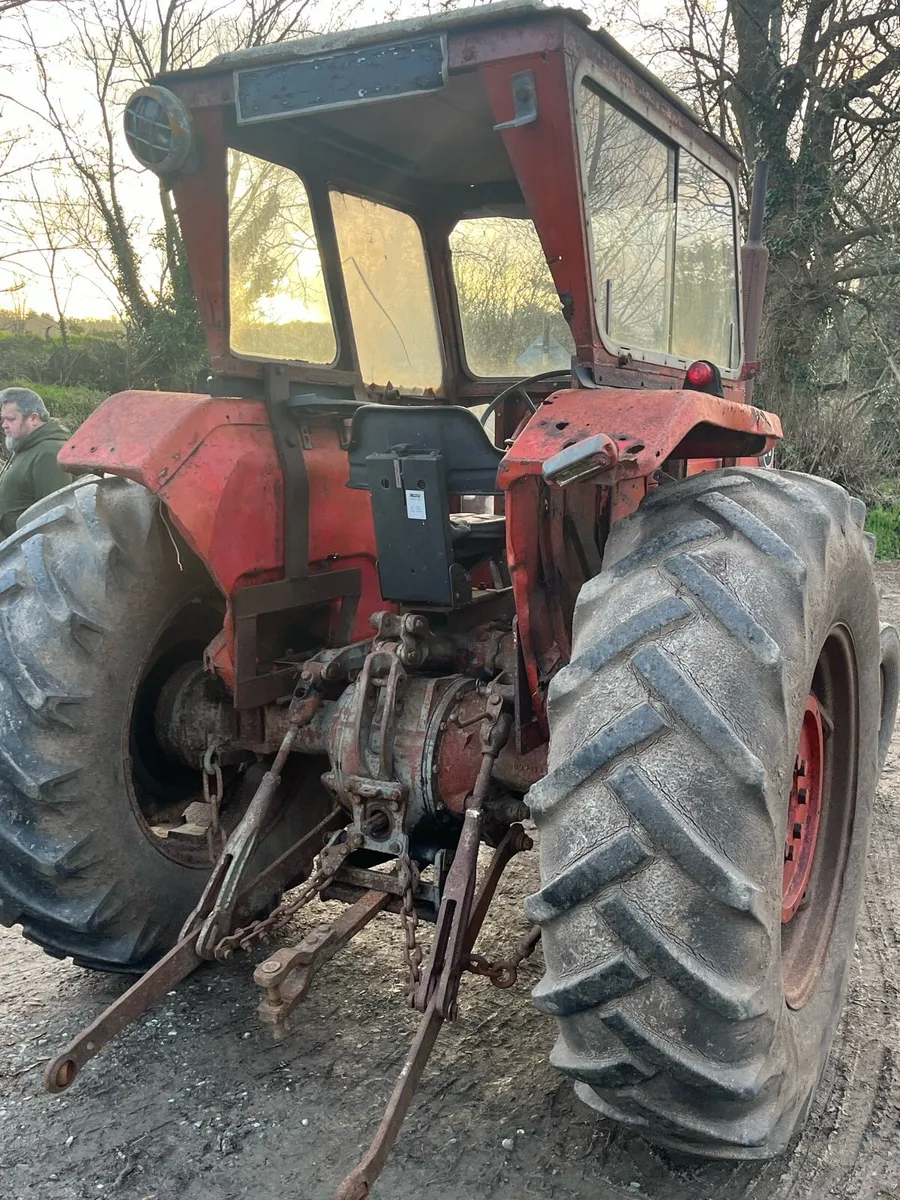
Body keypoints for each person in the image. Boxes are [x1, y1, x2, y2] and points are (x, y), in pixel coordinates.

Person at [0, 387, 73, 537]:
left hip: (23, 553)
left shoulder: (50, 453)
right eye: (3, 419)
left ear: (33, 418)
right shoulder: (24, 445)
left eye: (11, 419)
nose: (4, 425)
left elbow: (55, 520)